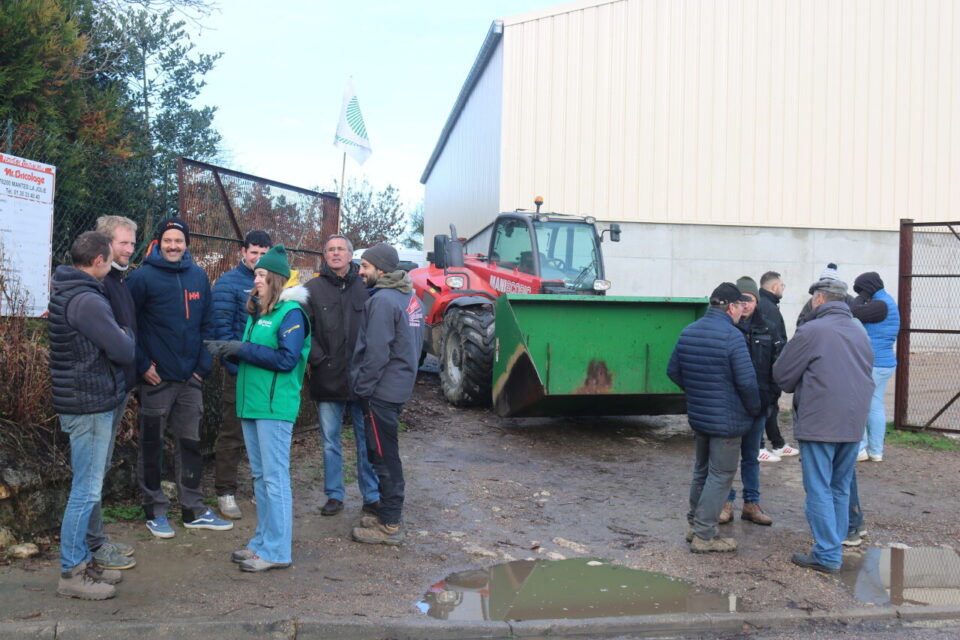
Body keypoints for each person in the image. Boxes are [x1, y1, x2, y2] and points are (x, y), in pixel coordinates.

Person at [127, 218, 233, 538]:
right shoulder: (142, 278)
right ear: (158, 242)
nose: (174, 246)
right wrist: (143, 365)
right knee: (152, 445)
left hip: (190, 380)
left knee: (190, 444)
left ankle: (193, 509)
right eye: (168, 240)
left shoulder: (199, 276)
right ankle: (155, 510)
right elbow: (128, 328)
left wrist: (202, 369)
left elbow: (208, 326)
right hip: (157, 379)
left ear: (187, 244)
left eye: (180, 241)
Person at [206, 245, 310, 572]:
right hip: (251, 403)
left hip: (274, 407)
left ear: (277, 279)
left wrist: (243, 348)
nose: (257, 280)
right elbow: (254, 353)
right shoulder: (261, 312)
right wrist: (231, 351)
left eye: (262, 275)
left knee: (275, 478)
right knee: (261, 476)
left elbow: (287, 359)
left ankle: (278, 550)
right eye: (256, 275)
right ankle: (262, 542)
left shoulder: (291, 313)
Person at [49, 231, 135, 600]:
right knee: (85, 491)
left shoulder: (67, 289)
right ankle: (72, 572)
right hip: (90, 404)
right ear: (99, 260)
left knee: (86, 488)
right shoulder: (87, 299)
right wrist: (126, 331)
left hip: (81, 401)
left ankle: (82, 561)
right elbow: (123, 349)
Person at [773, 278, 874, 574]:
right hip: (854, 421)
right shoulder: (859, 331)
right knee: (840, 487)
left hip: (820, 421)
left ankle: (827, 554)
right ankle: (834, 547)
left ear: (818, 300)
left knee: (818, 488)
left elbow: (783, 375)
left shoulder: (812, 330)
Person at [667, 282, 761, 553]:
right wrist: (754, 409)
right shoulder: (732, 337)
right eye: (739, 307)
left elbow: (673, 370)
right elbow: (747, 383)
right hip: (727, 420)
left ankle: (693, 526)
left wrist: (697, 392)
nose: (741, 312)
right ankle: (705, 535)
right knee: (720, 475)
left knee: (701, 471)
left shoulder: (690, 331)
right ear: (731, 307)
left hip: (700, 415)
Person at [349, 243, 424, 546]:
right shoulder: (410, 298)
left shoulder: (382, 301)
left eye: (365, 266)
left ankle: (390, 524)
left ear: (381, 269)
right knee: (383, 453)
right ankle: (386, 515)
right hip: (397, 387)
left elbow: (377, 353)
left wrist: (363, 390)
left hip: (381, 391)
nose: (360, 272)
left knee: (383, 456)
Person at [76, 216, 139, 573]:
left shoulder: (116, 280)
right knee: (91, 474)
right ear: (104, 244)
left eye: (132, 243)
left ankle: (96, 539)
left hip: (116, 388)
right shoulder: (99, 286)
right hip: (100, 392)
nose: (130, 249)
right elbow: (115, 341)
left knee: (96, 472)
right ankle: (93, 544)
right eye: (124, 243)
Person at [304, 234, 380, 517]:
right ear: (325, 256)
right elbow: (302, 331)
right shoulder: (311, 289)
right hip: (328, 377)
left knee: (366, 441)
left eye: (341, 249)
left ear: (351, 255)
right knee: (329, 441)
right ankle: (334, 495)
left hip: (362, 380)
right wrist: (318, 359)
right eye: (330, 250)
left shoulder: (367, 287)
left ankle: (371, 495)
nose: (335, 254)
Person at [210, 229, 273, 520]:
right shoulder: (227, 284)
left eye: (263, 254)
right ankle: (225, 491)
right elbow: (221, 331)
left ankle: (263, 491)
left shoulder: (277, 285)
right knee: (232, 434)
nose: (258, 258)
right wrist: (236, 366)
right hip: (238, 372)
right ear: (243, 252)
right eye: (253, 252)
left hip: (266, 374)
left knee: (263, 437)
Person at [719, 277, 782, 527]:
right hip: (732, 407)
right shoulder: (728, 329)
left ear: (756, 301)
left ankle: (751, 504)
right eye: (741, 299)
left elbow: (778, 365)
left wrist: (770, 398)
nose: (745, 304)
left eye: (750, 299)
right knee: (727, 458)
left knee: (751, 457)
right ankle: (726, 502)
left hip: (759, 405)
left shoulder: (768, 327)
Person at [851, 272, 900, 462]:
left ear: (868, 288)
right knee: (875, 406)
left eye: (861, 289)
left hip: (873, 363)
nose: (861, 294)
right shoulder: (887, 302)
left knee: (860, 405)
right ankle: (876, 451)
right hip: (885, 363)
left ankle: (860, 450)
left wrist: (861, 296)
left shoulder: (879, 306)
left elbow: (853, 311)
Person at [756, 271, 799, 461]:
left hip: (769, 367)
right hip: (767, 368)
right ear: (774, 287)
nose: (783, 288)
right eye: (782, 285)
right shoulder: (768, 308)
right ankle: (759, 446)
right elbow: (774, 341)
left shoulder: (768, 305)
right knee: (766, 405)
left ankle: (777, 443)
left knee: (771, 406)